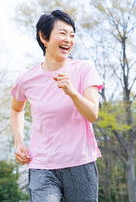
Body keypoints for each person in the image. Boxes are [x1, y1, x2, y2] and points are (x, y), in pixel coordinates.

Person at [10, 10, 103, 202]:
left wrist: (72, 92)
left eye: (72, 35)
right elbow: (16, 109)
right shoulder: (27, 78)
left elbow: (93, 114)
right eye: (62, 33)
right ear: (43, 37)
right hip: (42, 164)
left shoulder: (84, 69)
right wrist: (19, 143)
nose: (68, 39)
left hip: (80, 162)